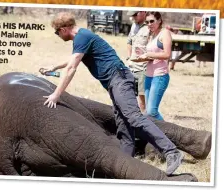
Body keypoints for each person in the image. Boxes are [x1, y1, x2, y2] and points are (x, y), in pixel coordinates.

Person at [43, 12, 183, 175]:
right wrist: (54, 67)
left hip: (120, 79)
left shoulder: (81, 36)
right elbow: (74, 59)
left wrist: (56, 94)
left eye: (57, 32)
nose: (57, 35)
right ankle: (124, 165)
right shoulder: (82, 37)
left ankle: (171, 152)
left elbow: (71, 68)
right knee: (124, 126)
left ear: (64, 29)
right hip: (116, 82)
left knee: (133, 117)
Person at [138, 12, 171, 121]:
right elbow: (153, 55)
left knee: (152, 111)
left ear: (159, 20)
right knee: (148, 112)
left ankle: (169, 133)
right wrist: (142, 57)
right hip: (148, 76)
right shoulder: (151, 35)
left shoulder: (165, 33)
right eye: (147, 22)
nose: (149, 24)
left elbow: (167, 54)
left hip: (160, 76)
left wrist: (148, 55)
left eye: (152, 21)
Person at [126, 11, 150, 113]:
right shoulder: (134, 25)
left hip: (143, 67)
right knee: (131, 96)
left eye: (135, 14)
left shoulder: (150, 25)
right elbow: (129, 41)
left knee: (143, 98)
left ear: (143, 12)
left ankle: (147, 121)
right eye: (132, 15)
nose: (133, 17)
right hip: (133, 66)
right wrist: (129, 57)